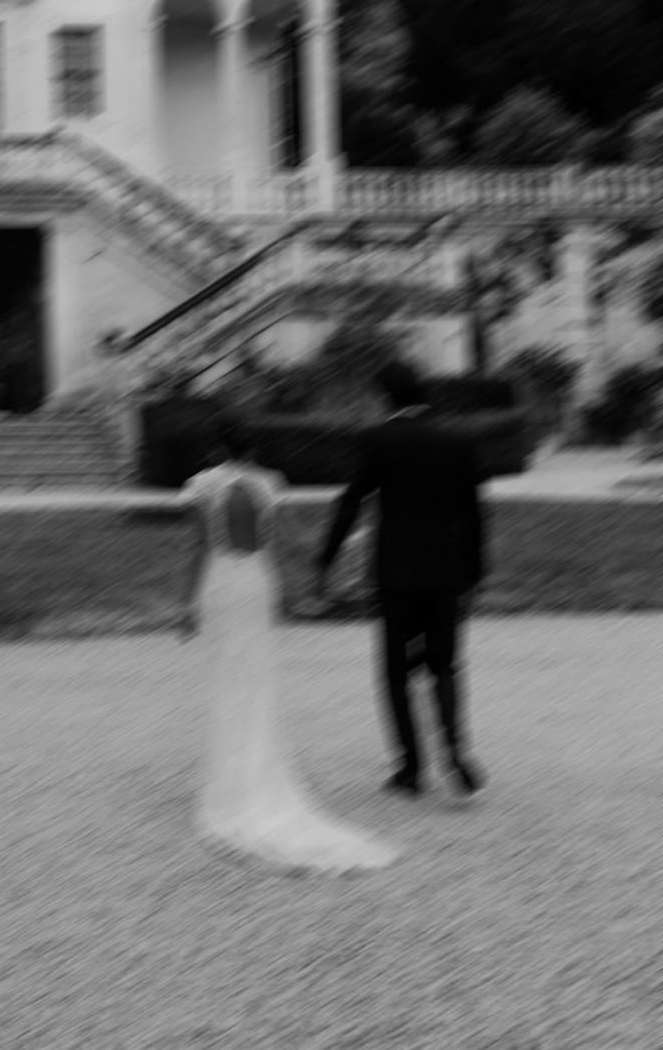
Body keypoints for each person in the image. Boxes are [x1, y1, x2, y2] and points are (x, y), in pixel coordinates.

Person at [179, 419, 396, 874]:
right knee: (256, 681)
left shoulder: (204, 485)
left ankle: (230, 781)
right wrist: (343, 550)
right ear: (253, 446)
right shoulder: (269, 483)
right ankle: (255, 772)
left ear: (217, 447)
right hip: (258, 584)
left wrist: (187, 604)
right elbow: (287, 544)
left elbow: (199, 547)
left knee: (226, 682)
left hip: (221, 584)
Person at [315, 359, 488, 798]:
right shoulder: (454, 442)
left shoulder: (379, 440)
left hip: (396, 572)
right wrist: (474, 573)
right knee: (444, 663)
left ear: (385, 397)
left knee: (396, 670)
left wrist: (326, 559)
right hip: (446, 570)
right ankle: (454, 747)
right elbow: (473, 513)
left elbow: (351, 501)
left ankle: (411, 767)